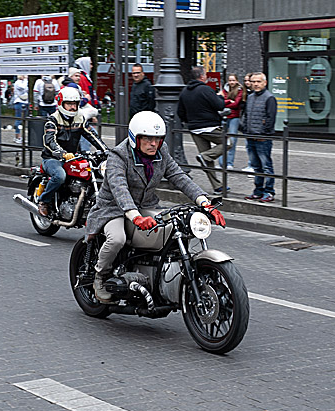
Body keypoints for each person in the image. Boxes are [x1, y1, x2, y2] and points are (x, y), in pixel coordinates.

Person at [84, 111, 225, 303]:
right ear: (135, 138)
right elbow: (120, 189)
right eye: (148, 139)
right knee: (117, 239)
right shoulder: (119, 155)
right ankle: (100, 277)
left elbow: (178, 176)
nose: (153, 143)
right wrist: (135, 216)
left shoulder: (161, 151)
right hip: (113, 209)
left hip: (147, 206)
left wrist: (204, 202)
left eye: (158, 139)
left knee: (174, 232)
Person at [37, 87, 107, 216]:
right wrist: (62, 153)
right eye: (69, 104)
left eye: (74, 104)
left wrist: (106, 150)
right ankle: (44, 201)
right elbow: (49, 141)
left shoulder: (79, 119)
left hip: (73, 157)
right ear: (61, 104)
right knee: (59, 176)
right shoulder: (53, 120)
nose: (72, 107)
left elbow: (92, 135)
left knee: (93, 173)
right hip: (52, 158)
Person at [177, 65, 228, 194]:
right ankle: (204, 156)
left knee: (207, 161)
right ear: (202, 76)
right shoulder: (206, 89)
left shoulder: (184, 92)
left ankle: (217, 187)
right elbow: (220, 105)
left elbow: (180, 112)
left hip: (194, 129)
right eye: (205, 74)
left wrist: (189, 122)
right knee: (227, 143)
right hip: (210, 127)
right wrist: (220, 96)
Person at [241, 72, 278, 203]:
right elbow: (246, 115)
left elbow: (270, 118)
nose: (256, 84)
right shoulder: (250, 97)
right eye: (253, 82)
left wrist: (264, 134)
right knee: (256, 166)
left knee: (266, 166)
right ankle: (258, 191)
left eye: (258, 82)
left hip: (262, 138)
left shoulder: (269, 98)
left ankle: (269, 191)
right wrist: (245, 130)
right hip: (250, 136)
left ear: (265, 83)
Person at [218, 73, 244, 168]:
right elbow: (220, 102)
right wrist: (229, 101)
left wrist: (225, 102)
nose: (232, 82)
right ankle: (221, 163)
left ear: (237, 81)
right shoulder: (224, 90)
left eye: (233, 80)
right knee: (221, 140)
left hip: (234, 117)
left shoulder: (240, 90)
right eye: (230, 80)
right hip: (224, 117)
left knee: (232, 141)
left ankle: (229, 163)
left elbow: (236, 104)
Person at [11, 75, 29, 144]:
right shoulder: (18, 83)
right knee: (18, 120)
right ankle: (17, 136)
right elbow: (24, 88)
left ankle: (21, 136)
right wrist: (26, 79)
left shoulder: (23, 82)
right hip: (19, 102)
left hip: (25, 102)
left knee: (24, 120)